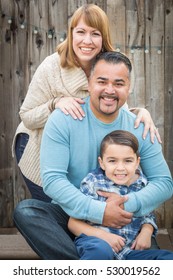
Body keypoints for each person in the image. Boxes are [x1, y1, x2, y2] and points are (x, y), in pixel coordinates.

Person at [13, 51, 173, 260]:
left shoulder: (139, 126)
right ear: (89, 83)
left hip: (124, 220)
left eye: (118, 83)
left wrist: (126, 205)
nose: (109, 90)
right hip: (73, 214)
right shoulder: (63, 119)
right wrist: (100, 211)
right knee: (27, 211)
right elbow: (53, 181)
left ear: (129, 87)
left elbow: (163, 183)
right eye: (102, 81)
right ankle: (90, 265)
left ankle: (96, 262)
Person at [13, 4, 161, 202]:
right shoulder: (52, 66)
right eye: (81, 32)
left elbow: (113, 104)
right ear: (71, 34)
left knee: (82, 207)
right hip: (37, 145)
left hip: (76, 151)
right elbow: (27, 116)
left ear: (103, 38)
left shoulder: (108, 64)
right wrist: (54, 103)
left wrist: (139, 111)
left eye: (95, 34)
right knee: (55, 210)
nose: (87, 41)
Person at [68, 130, 173, 260]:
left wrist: (147, 231)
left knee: (167, 258)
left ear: (137, 162)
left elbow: (148, 214)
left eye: (128, 161)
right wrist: (104, 236)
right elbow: (73, 223)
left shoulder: (142, 184)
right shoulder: (93, 183)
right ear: (102, 163)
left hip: (130, 250)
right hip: (97, 243)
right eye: (112, 161)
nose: (120, 168)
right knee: (99, 251)